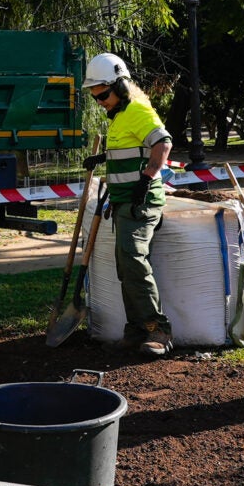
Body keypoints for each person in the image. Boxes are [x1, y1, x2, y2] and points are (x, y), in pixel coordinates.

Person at [84, 51, 175, 357]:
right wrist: (103, 159)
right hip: (123, 202)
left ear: (120, 86)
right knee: (125, 265)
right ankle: (136, 330)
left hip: (142, 201)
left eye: (104, 95)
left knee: (134, 259)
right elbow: (129, 151)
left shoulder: (137, 110)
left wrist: (148, 178)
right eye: (96, 97)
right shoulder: (121, 116)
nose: (101, 102)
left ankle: (158, 330)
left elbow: (163, 142)